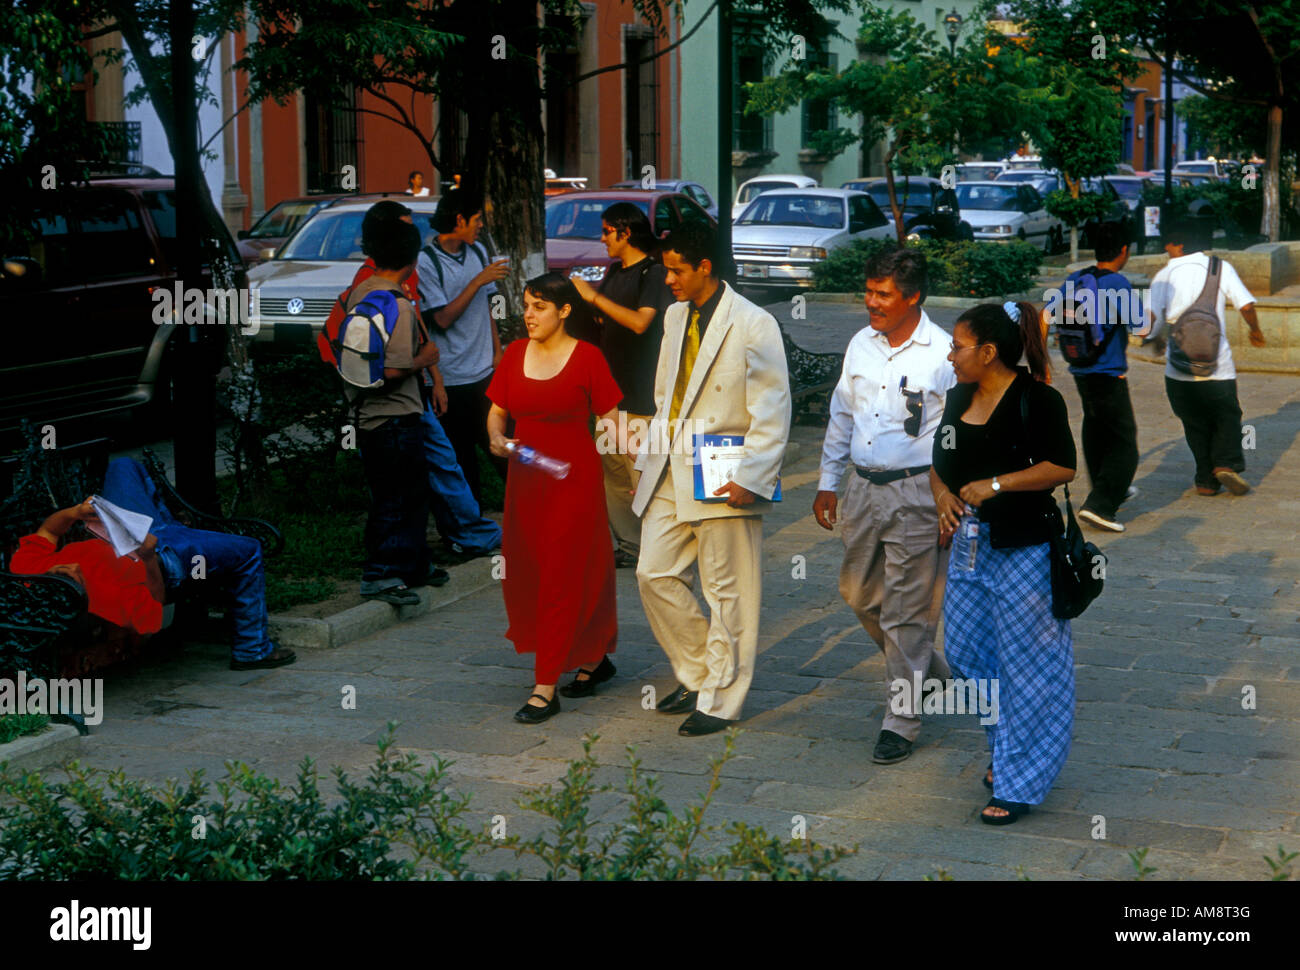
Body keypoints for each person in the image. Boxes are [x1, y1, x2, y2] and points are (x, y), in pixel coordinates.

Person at [632, 223, 791, 737]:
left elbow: (773, 407)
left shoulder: (754, 322)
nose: (668, 280)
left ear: (705, 266)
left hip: (726, 468)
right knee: (652, 574)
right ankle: (702, 673)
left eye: (676, 269)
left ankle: (720, 699)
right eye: (665, 269)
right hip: (670, 465)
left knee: (728, 590)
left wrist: (755, 474)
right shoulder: (675, 317)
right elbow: (665, 393)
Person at [930, 301, 1077, 825]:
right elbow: (939, 463)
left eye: (957, 346)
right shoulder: (957, 399)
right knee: (968, 656)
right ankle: (1006, 745)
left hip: (1025, 548)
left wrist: (996, 485)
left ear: (988, 352)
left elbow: (1062, 466)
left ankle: (1020, 779)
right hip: (968, 547)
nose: (950, 355)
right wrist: (944, 495)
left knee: (1030, 665)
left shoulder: (1038, 400)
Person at [812, 249, 955, 766]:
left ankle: (902, 719)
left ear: (912, 296)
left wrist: (950, 501)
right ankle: (935, 677)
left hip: (919, 494)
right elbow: (841, 414)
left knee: (905, 611)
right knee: (857, 592)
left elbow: (956, 437)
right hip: (862, 490)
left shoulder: (942, 354)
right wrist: (829, 480)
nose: (871, 302)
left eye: (883, 294)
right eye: (869, 291)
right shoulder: (860, 344)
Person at [322, 200, 498, 565]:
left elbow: (419, 330)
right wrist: (422, 364)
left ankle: (435, 548)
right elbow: (386, 365)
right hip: (390, 409)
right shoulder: (377, 289)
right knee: (402, 489)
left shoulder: (395, 284)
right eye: (404, 229)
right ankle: (392, 564)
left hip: (408, 400)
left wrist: (436, 378)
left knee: (430, 473)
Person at [486, 273, 623, 724]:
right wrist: (496, 437)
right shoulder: (514, 354)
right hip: (526, 481)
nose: (528, 315)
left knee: (564, 572)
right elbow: (497, 410)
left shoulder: (588, 358)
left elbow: (611, 420)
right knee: (529, 569)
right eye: (526, 305)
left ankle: (545, 686)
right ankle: (595, 655)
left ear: (564, 311)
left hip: (573, 479)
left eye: (539, 306)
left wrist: (637, 474)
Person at [11, 459, 295, 671]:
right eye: (71, 578)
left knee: (124, 465)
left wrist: (75, 512)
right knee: (250, 550)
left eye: (61, 572)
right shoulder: (103, 601)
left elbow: (49, 530)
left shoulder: (27, 567)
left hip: (123, 528)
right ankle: (252, 650)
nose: (69, 570)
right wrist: (146, 557)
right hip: (165, 556)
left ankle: (169, 523)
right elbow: (156, 603)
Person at [570, 202, 674, 569]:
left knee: (643, 477)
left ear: (625, 232)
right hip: (609, 398)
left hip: (641, 395)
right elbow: (604, 318)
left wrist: (593, 296)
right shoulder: (616, 271)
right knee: (612, 476)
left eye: (606, 232)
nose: (602, 240)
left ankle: (659, 549)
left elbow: (640, 323)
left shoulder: (655, 273)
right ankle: (631, 545)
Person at [346, 216, 439, 605]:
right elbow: (394, 368)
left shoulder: (361, 292)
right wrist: (427, 358)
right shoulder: (398, 303)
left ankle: (413, 565)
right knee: (399, 498)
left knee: (402, 494)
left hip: (367, 417)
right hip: (397, 416)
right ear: (411, 259)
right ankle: (381, 575)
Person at [1146, 217, 1266, 496]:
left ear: (1178, 244)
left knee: (1194, 423)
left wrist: (1155, 340)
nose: (1166, 248)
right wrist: (1255, 331)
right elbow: (1246, 305)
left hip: (1178, 371)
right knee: (1226, 415)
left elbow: (1149, 322)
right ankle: (1224, 464)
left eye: (1168, 242)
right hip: (1217, 367)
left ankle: (1205, 480)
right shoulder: (1220, 268)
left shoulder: (1163, 276)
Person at [419, 191, 510, 506]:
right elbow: (442, 319)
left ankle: (527, 515)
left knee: (504, 450)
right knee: (461, 461)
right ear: (459, 220)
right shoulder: (427, 262)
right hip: (450, 377)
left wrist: (497, 351)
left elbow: (486, 305)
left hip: (483, 371)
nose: (481, 226)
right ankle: (470, 530)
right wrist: (477, 280)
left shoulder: (478, 251)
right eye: (477, 219)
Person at [1059, 220, 1142, 532]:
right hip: (1108, 371)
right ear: (1123, 250)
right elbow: (1140, 326)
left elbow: (1051, 315)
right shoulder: (1118, 283)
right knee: (1125, 444)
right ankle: (1101, 504)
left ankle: (1107, 487)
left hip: (1080, 368)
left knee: (1095, 428)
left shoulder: (1075, 278)